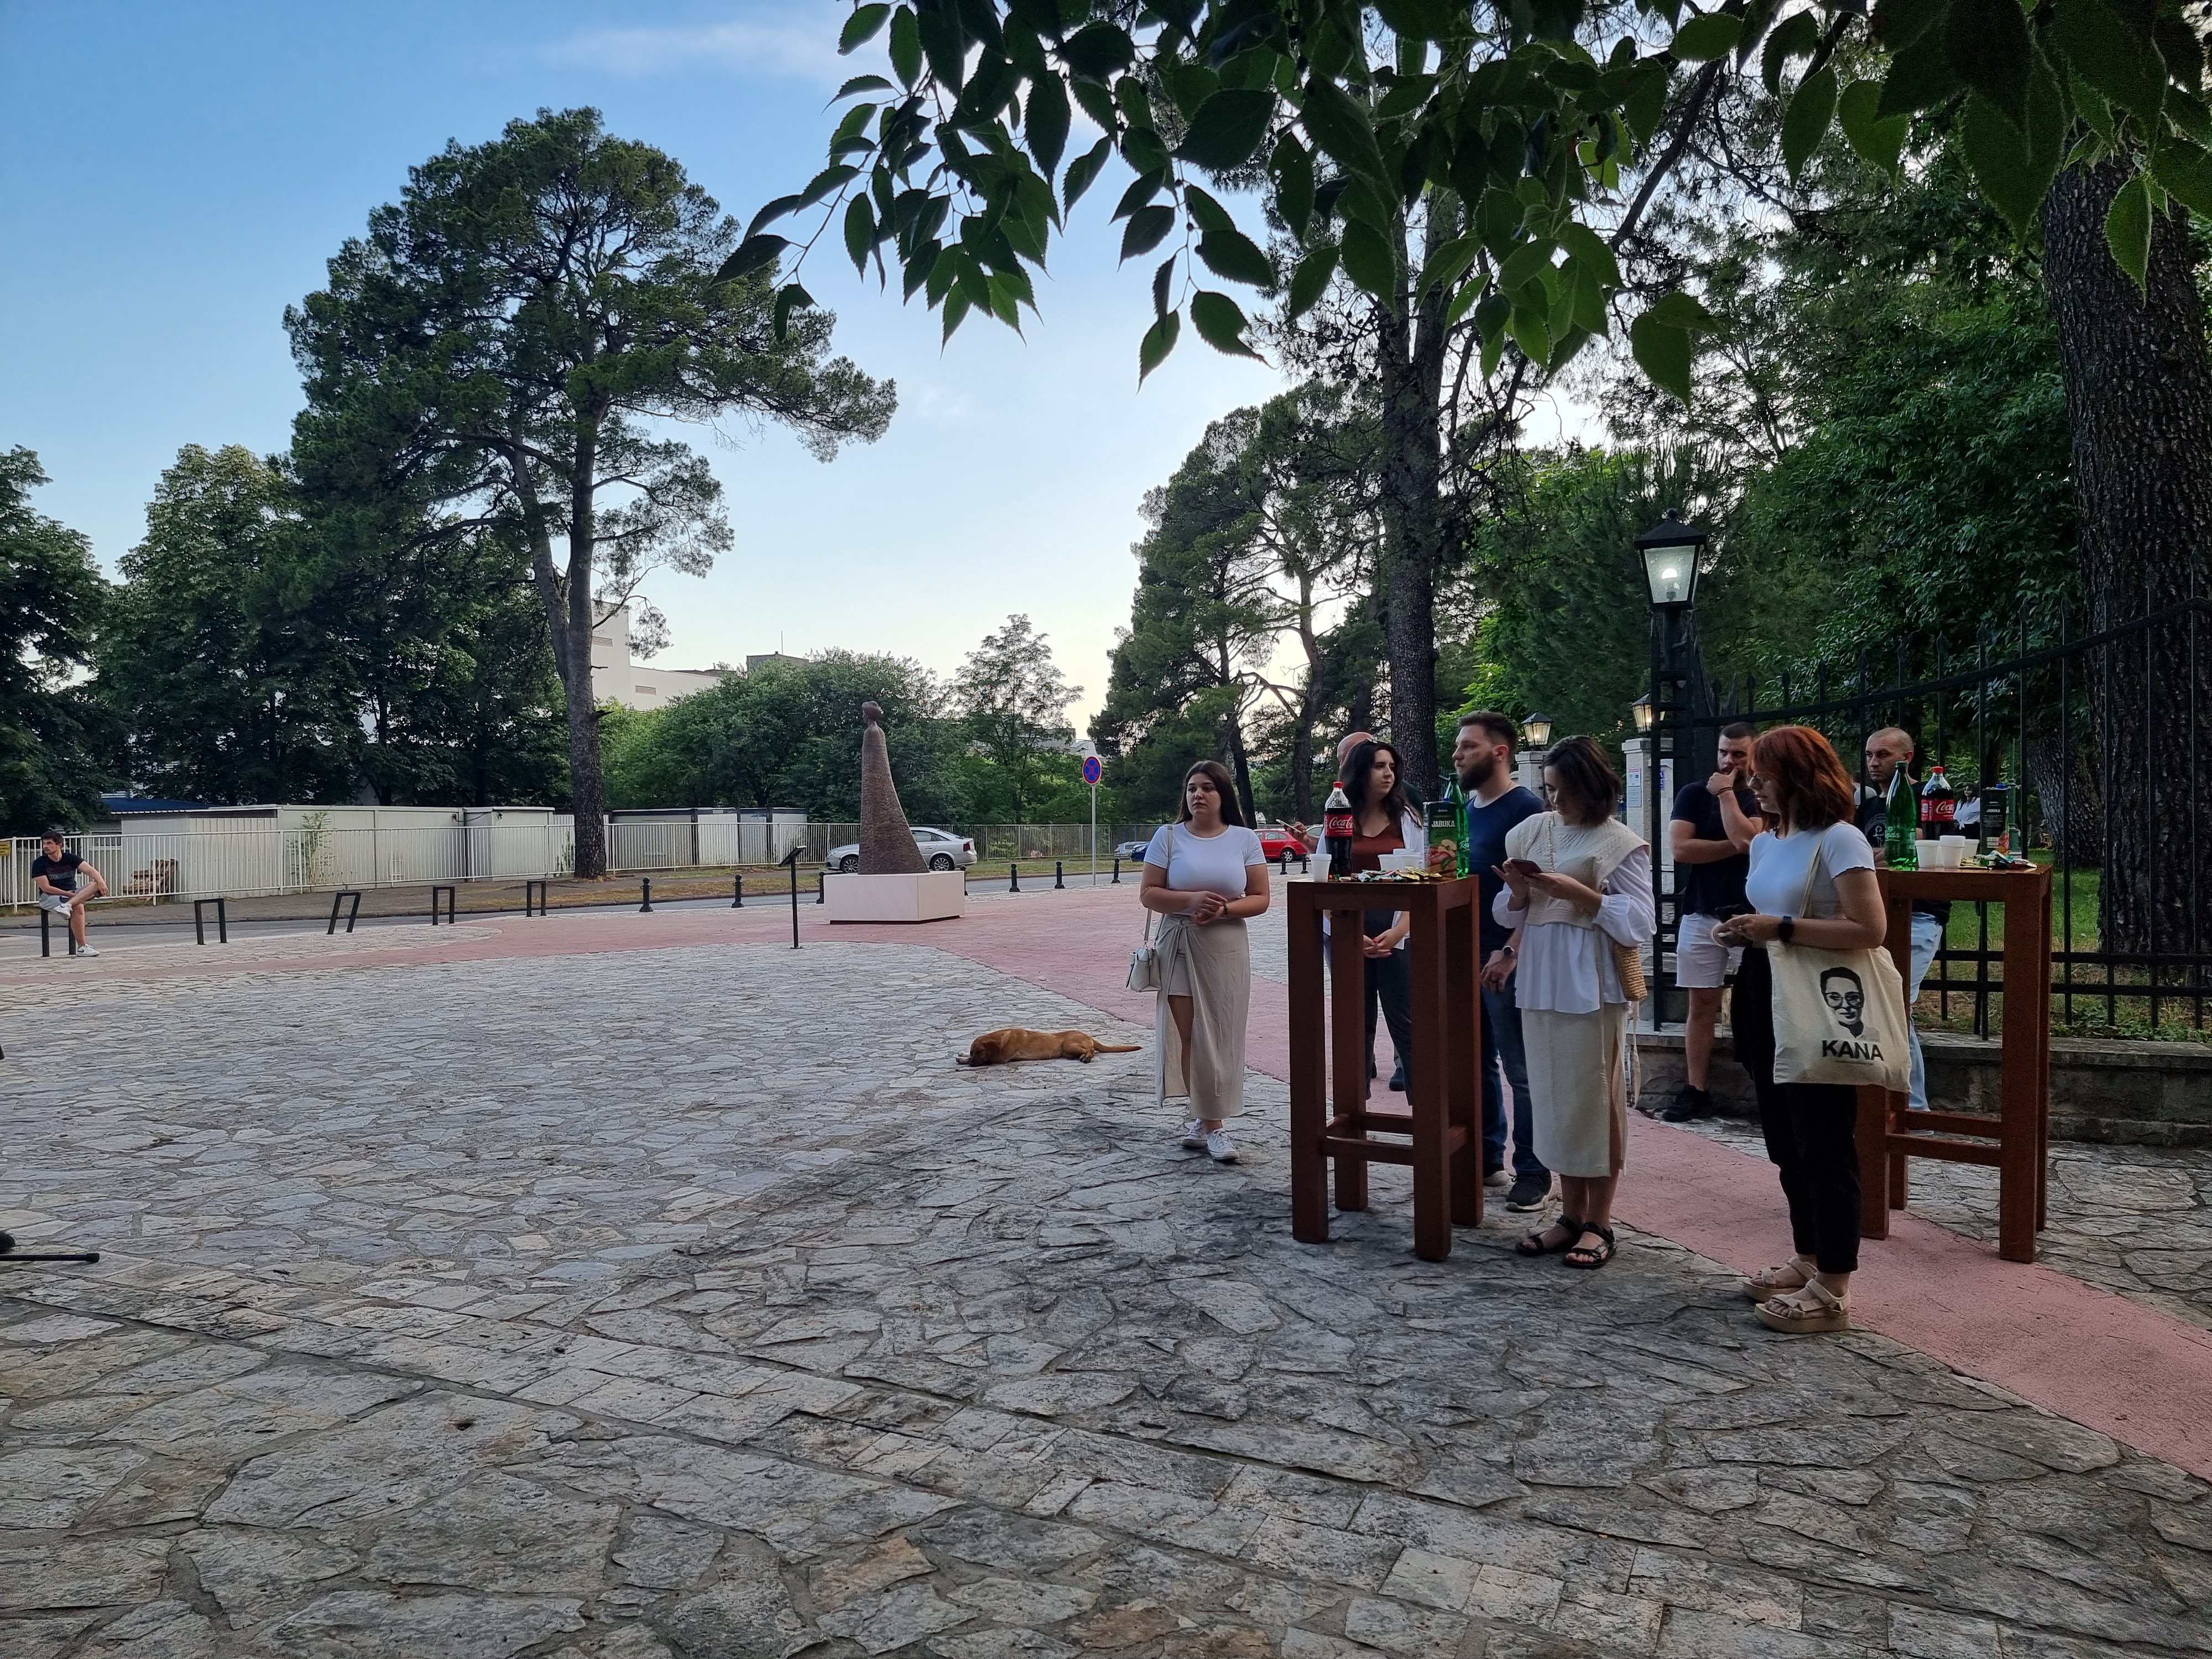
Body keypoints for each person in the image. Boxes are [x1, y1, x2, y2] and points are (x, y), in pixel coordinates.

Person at [1713, 726, 1891, 1334]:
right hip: (1764, 987)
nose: (1752, 782)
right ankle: (1807, 1255)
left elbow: (1869, 929)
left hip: (1814, 995)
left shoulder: (1840, 839)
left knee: (1824, 1139)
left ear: (1797, 774)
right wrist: (1745, 930)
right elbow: (1771, 917)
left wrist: (1779, 928)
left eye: (1762, 773)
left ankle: (1835, 1284)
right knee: (1785, 1141)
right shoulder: (1767, 841)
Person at [1491, 737, 1653, 1270]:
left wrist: (1580, 894)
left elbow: (1640, 923)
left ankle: (1599, 1221)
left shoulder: (1619, 843)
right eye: (1549, 789)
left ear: (1590, 787)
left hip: (1592, 980)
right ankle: (1569, 1213)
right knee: (1553, 1098)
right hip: (1541, 977)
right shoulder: (1531, 830)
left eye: (1562, 791)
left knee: (1593, 1102)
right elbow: (1512, 914)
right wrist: (1518, 891)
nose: (1553, 801)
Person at [1140, 760, 1271, 1165]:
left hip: (1226, 943)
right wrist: (1191, 900)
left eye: (1208, 788)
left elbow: (1261, 897)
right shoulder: (1168, 837)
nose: (1198, 795)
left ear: (1223, 795)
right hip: (1177, 941)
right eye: (1192, 788)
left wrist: (1225, 909)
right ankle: (1212, 1123)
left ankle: (1204, 1115)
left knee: (1222, 1032)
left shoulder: (1245, 838)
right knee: (1190, 1031)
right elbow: (1148, 893)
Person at [1288, 735, 1428, 1091]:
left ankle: (1423, 1112)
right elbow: (1325, 878)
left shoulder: (1408, 818)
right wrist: (1347, 931)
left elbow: (1422, 879)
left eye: (1392, 768)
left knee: (1407, 1021)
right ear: (1359, 772)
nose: (1388, 774)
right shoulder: (1338, 815)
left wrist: (1399, 934)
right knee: (1355, 1021)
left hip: (1398, 931)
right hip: (1347, 930)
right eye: (1379, 767)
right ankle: (1355, 1111)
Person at [1453, 711, 1550, 1210]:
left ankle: (1532, 1170)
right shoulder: (1463, 807)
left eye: (1468, 746)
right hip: (1462, 951)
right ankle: (1487, 1155)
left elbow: (1539, 892)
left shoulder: (1527, 810)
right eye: (1458, 746)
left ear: (1500, 751)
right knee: (1475, 1061)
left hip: (1505, 955)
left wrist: (1511, 950)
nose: (1457, 754)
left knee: (1520, 1067)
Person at [1662, 722, 1762, 1122]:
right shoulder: (1692, 794)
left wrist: (1725, 796)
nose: (1728, 761)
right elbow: (1681, 849)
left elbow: (1750, 841)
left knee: (1759, 1003)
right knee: (1701, 1004)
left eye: (1739, 754)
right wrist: (1735, 846)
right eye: (1724, 752)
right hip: (1703, 912)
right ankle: (1696, 1089)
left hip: (1755, 915)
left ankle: (1765, 1089)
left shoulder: (1761, 795)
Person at [1856, 727, 1948, 1113]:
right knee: (1876, 1004)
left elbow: (1922, 846)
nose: (1875, 762)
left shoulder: (1925, 796)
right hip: (1876, 913)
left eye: (1883, 755)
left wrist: (1881, 854)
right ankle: (1891, 1103)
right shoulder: (1868, 806)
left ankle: (1912, 1107)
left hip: (1919, 913)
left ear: (1906, 759)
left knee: (1895, 1005)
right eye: (1870, 755)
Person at [32, 829, 107, 957]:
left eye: (49, 843)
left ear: (59, 845)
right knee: (78, 905)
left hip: (71, 895)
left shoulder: (71, 858)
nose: (46, 846)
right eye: (44, 844)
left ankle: (67, 906)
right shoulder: (39, 863)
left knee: (96, 884)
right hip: (50, 897)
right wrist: (73, 897)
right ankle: (83, 947)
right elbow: (46, 888)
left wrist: (102, 882)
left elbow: (91, 870)